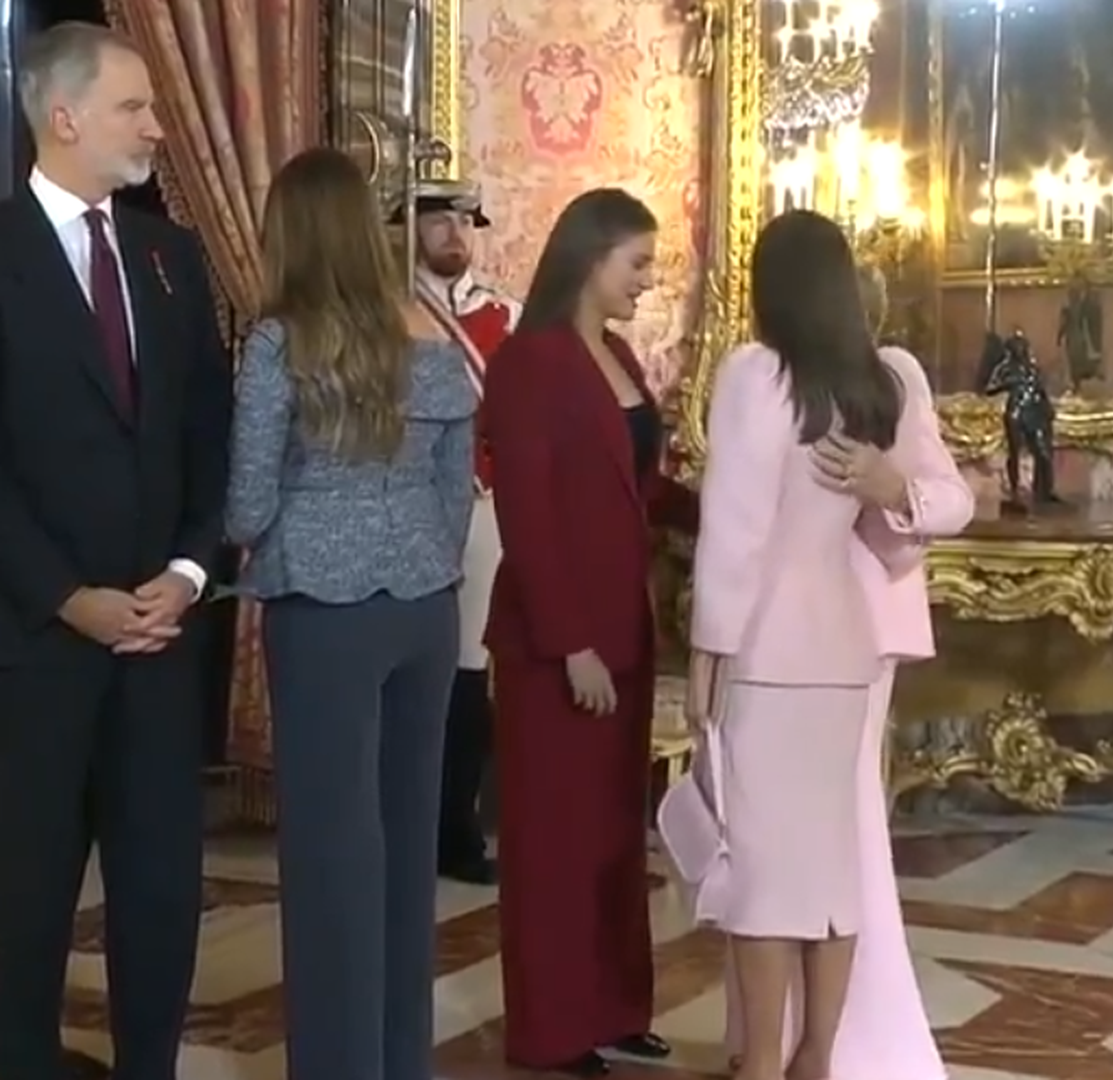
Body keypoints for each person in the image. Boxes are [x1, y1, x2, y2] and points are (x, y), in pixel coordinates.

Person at [0, 22, 231, 1080]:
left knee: (160, 884)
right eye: (136, 107)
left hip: (160, 639)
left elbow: (207, 438)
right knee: (27, 885)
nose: (157, 128)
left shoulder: (173, 258)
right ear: (65, 115)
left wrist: (185, 573)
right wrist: (67, 597)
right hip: (31, 639)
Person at [225, 146, 476, 1080]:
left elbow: (247, 507)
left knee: (334, 859)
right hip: (424, 609)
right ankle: (400, 1062)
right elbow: (456, 492)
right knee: (407, 853)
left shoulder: (278, 344)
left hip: (323, 612)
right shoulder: (430, 333)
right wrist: (417, 552)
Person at [689, 208, 942, 1080]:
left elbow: (735, 533)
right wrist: (894, 488)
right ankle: (817, 1059)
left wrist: (702, 654)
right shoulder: (878, 384)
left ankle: (763, 1062)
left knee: (763, 883)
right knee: (831, 879)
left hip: (763, 655)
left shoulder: (757, 376)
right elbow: (941, 510)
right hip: (844, 652)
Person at [482, 188, 690, 1078]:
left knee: (612, 834)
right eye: (636, 263)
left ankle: (613, 1006)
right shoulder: (529, 362)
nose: (648, 280)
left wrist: (728, 513)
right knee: (552, 841)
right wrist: (571, 645)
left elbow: (639, 485)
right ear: (589, 256)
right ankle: (551, 1027)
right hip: (556, 647)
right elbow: (527, 516)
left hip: (626, 630)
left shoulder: (615, 354)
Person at [393, 176, 521, 885]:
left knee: (469, 670)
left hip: (481, 504)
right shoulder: (388, 310)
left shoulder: (508, 316)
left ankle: (456, 832)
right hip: (404, 503)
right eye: (439, 219)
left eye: (466, 220)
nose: (455, 233)